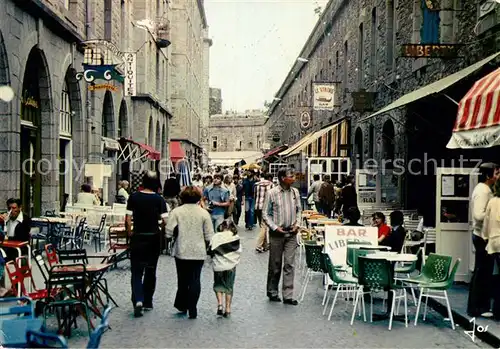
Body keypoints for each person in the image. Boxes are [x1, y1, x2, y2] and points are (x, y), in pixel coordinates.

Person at [166, 186, 214, 319]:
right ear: (198, 198)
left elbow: (168, 232)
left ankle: (182, 304)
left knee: (182, 279)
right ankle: (193, 307)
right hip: (198, 251)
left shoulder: (176, 212)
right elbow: (210, 235)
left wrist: (171, 236)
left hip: (181, 249)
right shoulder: (204, 213)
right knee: (195, 279)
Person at [126, 171, 168, 318]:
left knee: (136, 271)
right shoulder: (159, 199)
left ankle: (138, 299)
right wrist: (161, 232)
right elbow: (165, 221)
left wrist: (130, 232)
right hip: (153, 238)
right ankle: (148, 301)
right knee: (151, 270)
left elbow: (128, 218)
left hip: (138, 237)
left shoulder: (134, 197)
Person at [263, 168, 302, 305]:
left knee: (289, 264)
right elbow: (265, 214)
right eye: (291, 176)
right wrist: (275, 227)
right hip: (276, 234)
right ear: (282, 178)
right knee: (275, 264)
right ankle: (273, 291)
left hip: (291, 233)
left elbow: (299, 211)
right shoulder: (272, 193)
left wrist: (297, 224)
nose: (294, 178)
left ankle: (288, 295)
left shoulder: (295, 192)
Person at [468, 162, 497, 318]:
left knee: (482, 271)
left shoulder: (484, 189)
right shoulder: (483, 190)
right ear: (488, 175)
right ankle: (478, 307)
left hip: (481, 235)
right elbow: (478, 215)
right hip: (482, 236)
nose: (498, 176)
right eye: (497, 173)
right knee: (482, 272)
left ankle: (477, 306)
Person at [208, 220, 242, 318]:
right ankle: (228, 309)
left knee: (218, 285)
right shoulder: (235, 237)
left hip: (218, 266)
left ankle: (220, 305)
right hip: (230, 267)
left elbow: (210, 250)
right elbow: (239, 251)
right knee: (229, 287)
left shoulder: (216, 237)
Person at [482, 177, 500, 319]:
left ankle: (496, 309)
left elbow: (486, 222)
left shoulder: (493, 201)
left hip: (494, 242)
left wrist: (486, 237)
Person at [254, 173, 274, 253]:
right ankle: (258, 245)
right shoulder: (272, 185)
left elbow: (255, 196)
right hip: (266, 208)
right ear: (269, 178)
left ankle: (265, 245)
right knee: (264, 227)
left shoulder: (257, 185)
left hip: (257, 207)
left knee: (262, 226)